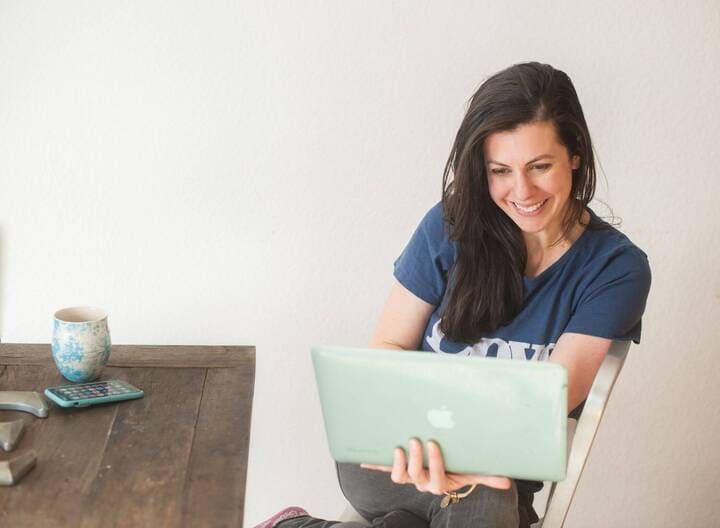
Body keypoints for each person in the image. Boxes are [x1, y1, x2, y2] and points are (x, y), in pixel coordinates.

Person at [255, 62, 651, 528]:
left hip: (498, 474)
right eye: (500, 171)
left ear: (576, 154)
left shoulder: (613, 267)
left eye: (539, 166)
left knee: (481, 501)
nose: (521, 190)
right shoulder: (450, 226)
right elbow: (389, 348)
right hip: (399, 457)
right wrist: (418, 450)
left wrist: (465, 470)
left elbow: (546, 407)